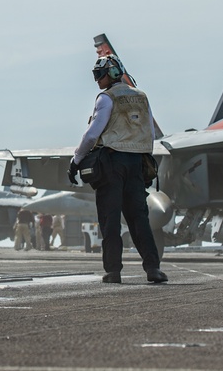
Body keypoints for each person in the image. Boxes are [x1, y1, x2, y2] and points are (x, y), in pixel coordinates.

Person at [67, 54, 167, 284]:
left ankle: (113, 271)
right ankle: (153, 269)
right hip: (136, 164)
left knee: (110, 219)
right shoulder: (142, 97)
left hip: (111, 164)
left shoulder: (106, 98)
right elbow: (150, 133)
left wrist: (76, 160)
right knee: (139, 219)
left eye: (98, 75)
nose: (96, 80)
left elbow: (92, 134)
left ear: (110, 73)